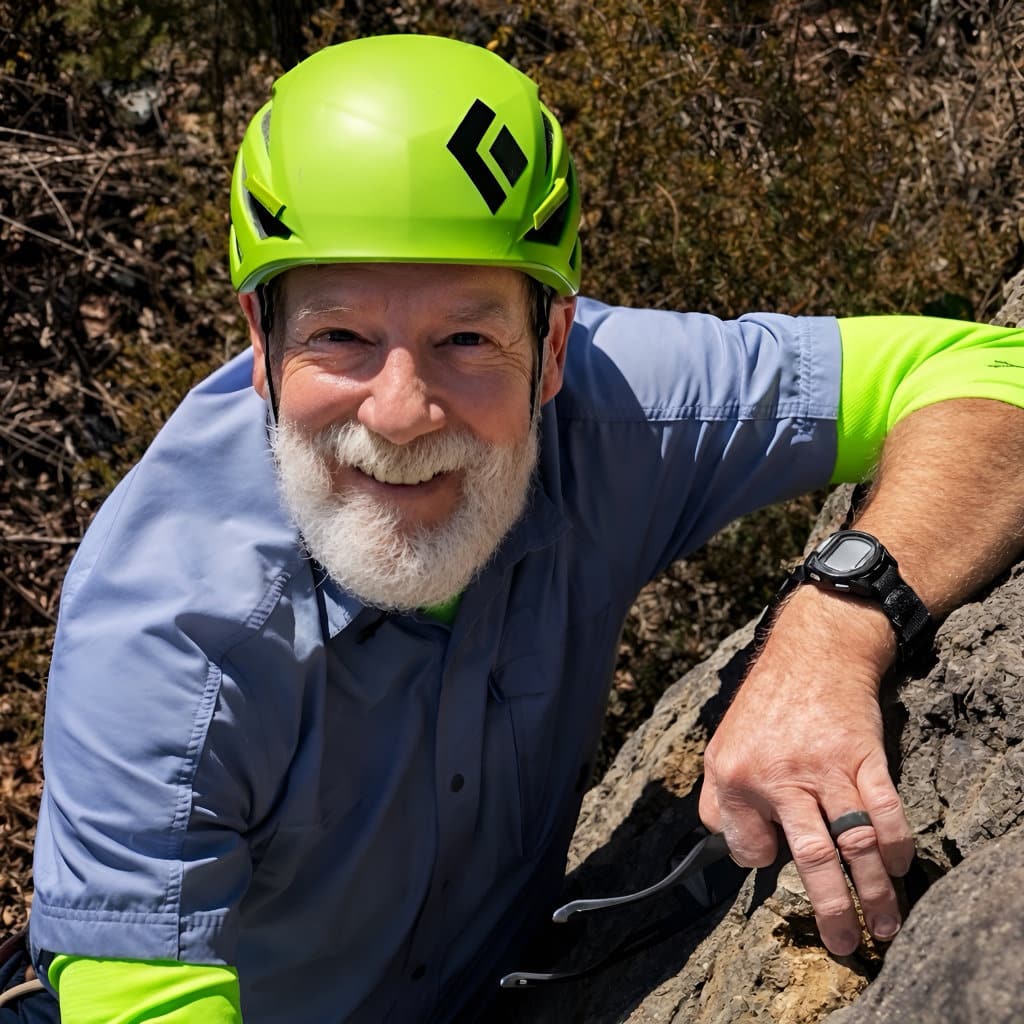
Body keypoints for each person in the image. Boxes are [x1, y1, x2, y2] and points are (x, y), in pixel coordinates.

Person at [24, 31, 1024, 1024]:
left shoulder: (613, 408)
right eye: (339, 336)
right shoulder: (166, 631)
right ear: (260, 342)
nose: (400, 412)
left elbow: (991, 373)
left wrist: (831, 628)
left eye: (465, 337)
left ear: (552, 344)